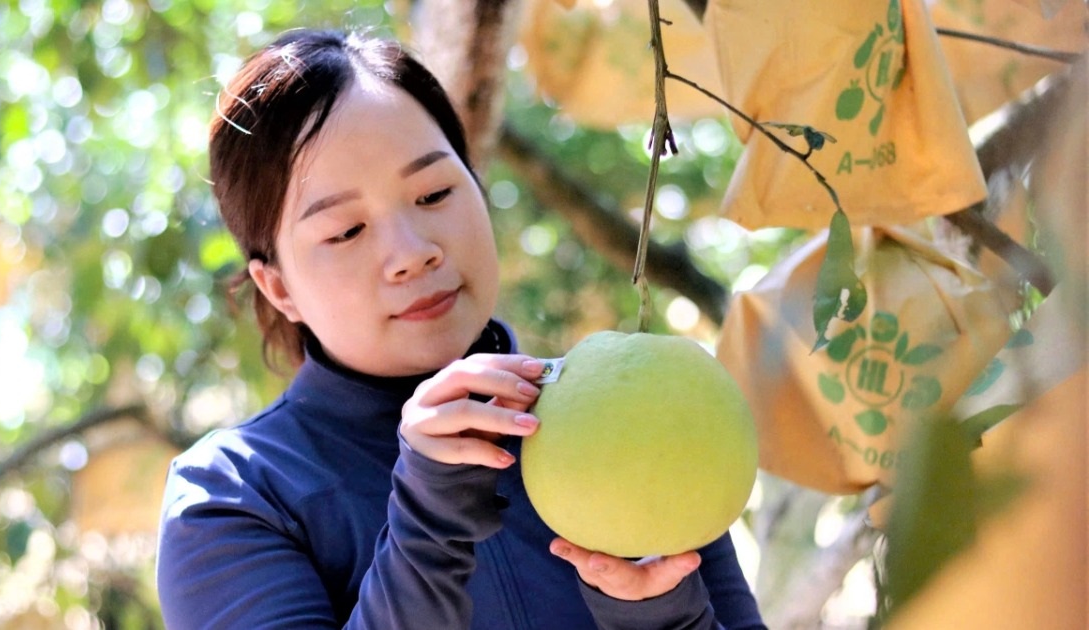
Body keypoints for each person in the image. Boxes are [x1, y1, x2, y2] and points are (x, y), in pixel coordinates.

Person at [156, 28, 767, 630]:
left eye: (433, 193)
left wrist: (659, 613)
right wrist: (427, 525)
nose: (412, 251)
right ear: (279, 287)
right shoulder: (234, 497)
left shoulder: (634, 416)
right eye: (346, 231)